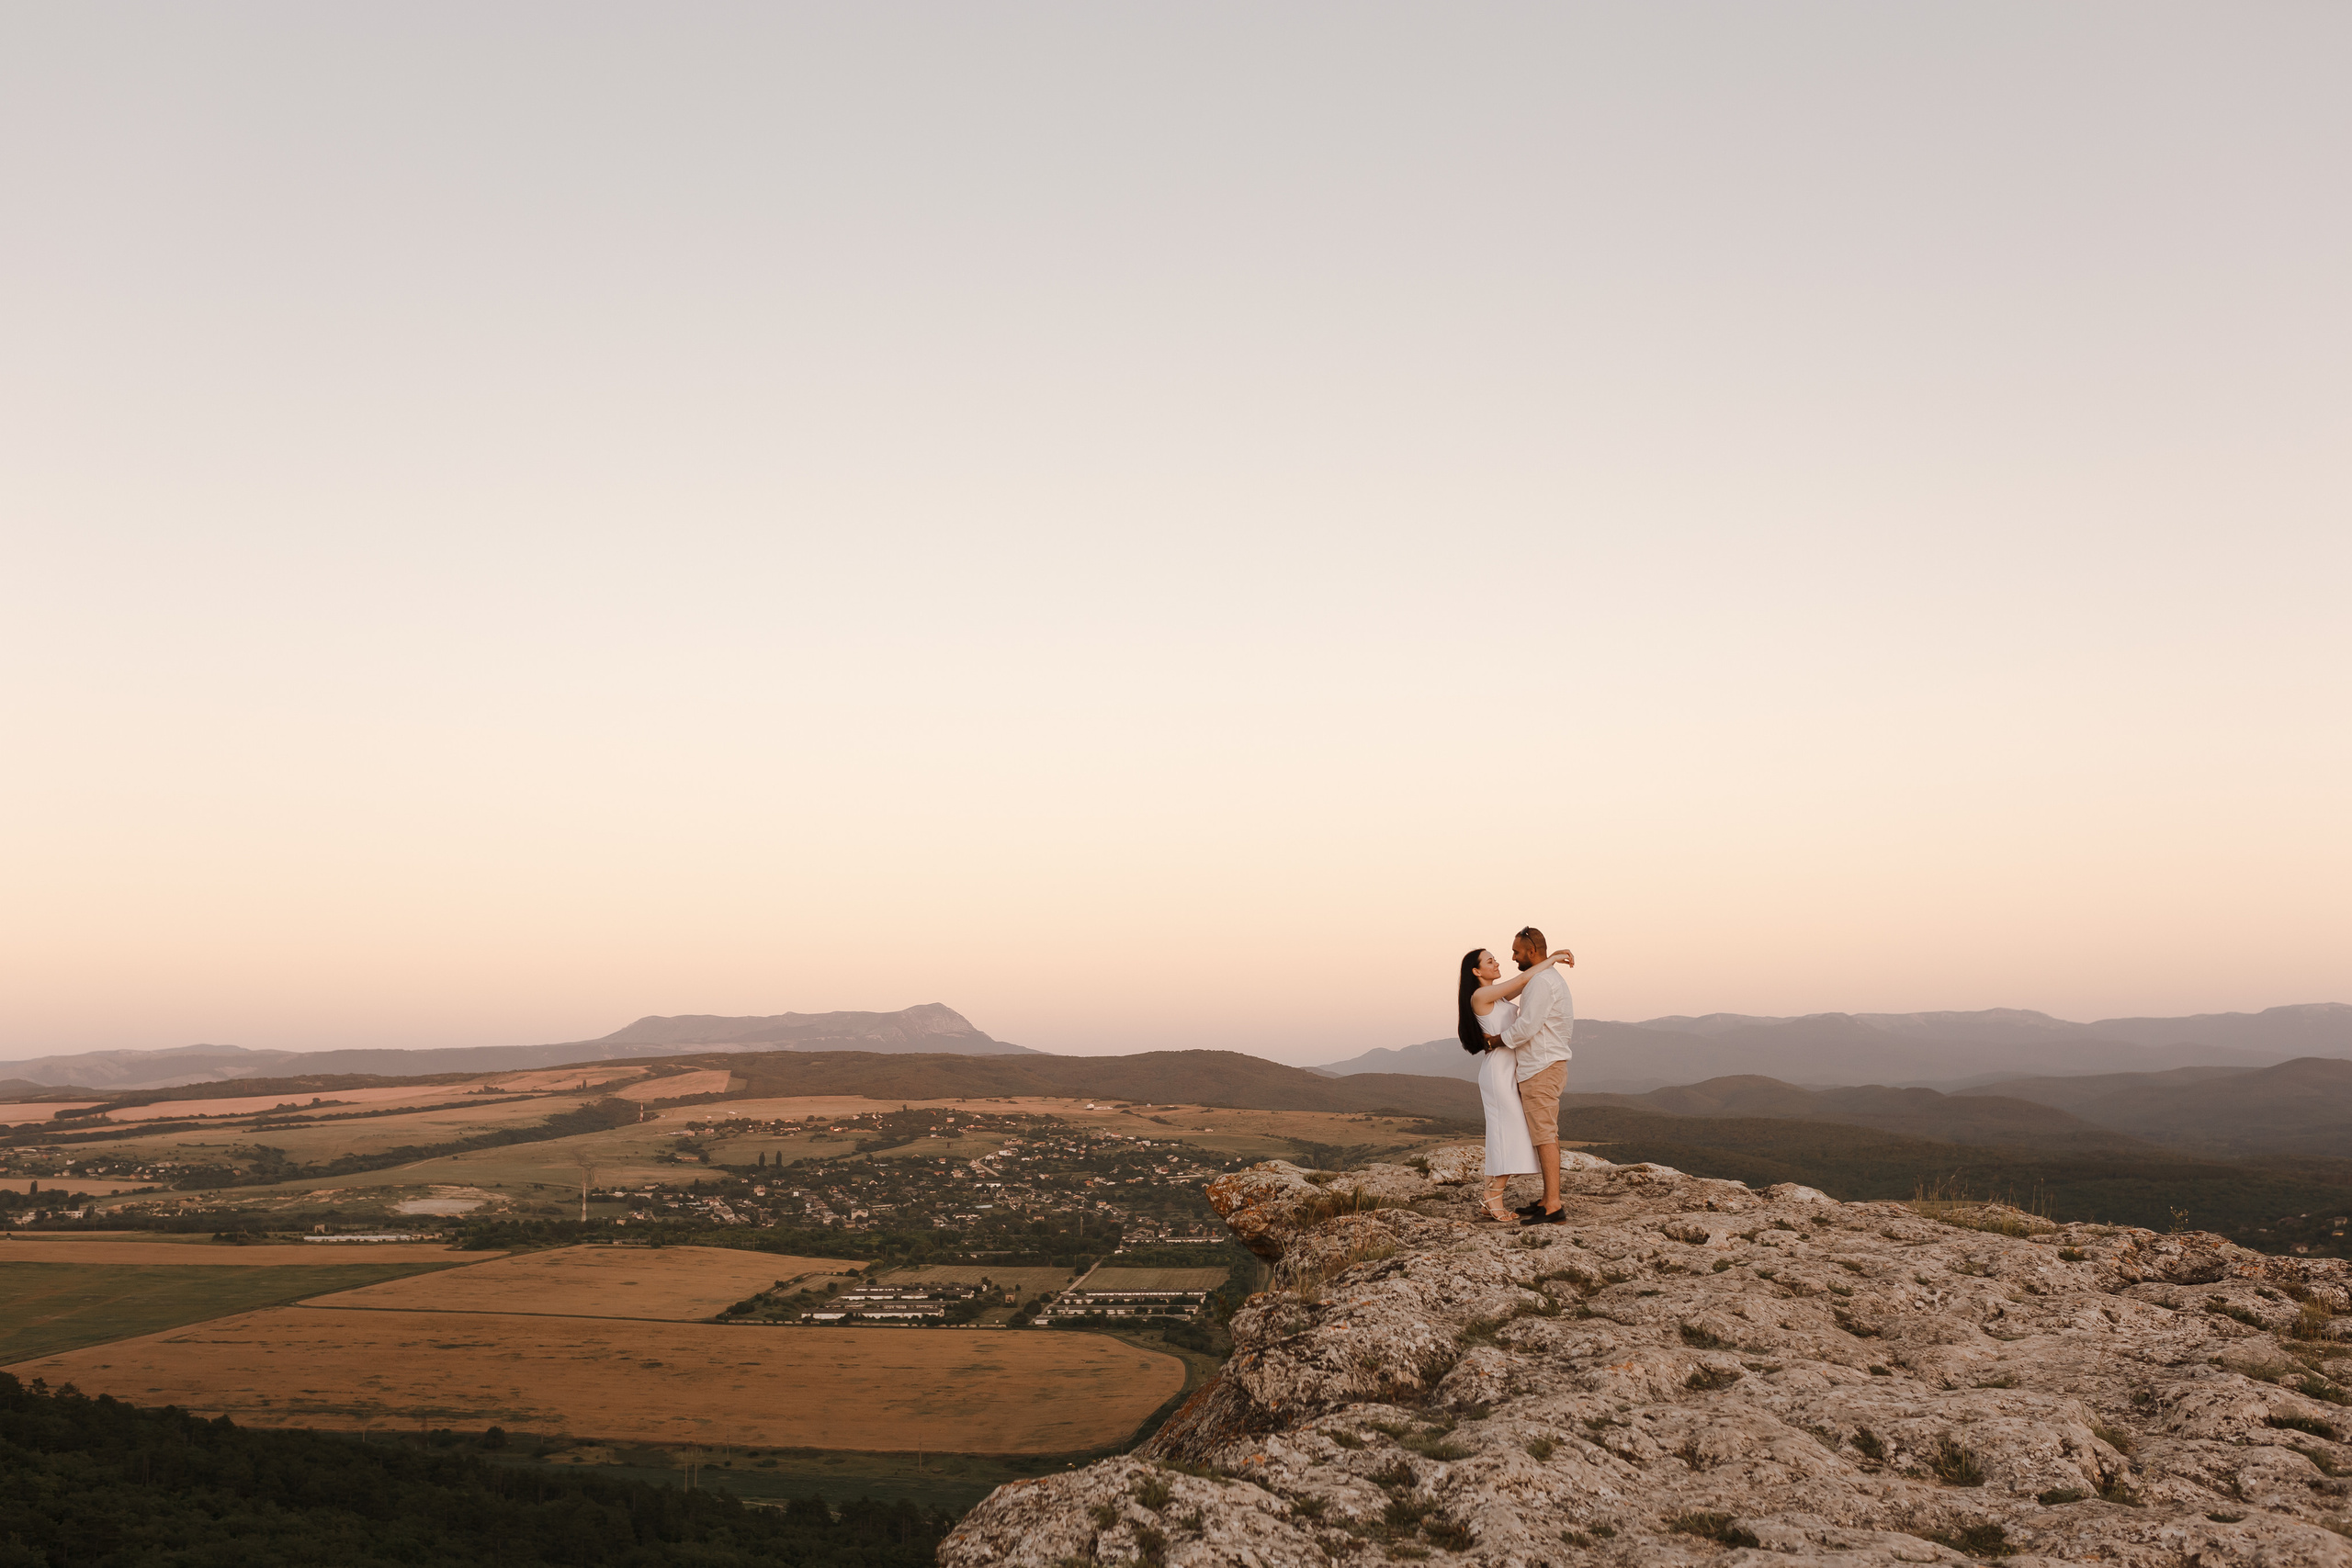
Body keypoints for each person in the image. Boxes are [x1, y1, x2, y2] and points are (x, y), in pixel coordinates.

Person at [1457, 944, 1572, 1224]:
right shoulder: (1481, 995)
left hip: (1510, 1069)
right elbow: (1523, 979)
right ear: (1476, 971)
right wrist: (1552, 959)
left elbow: (1527, 981)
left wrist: (1544, 963)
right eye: (1490, 961)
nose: (1497, 963)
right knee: (1507, 1135)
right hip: (1498, 1071)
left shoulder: (1498, 996)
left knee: (1504, 1134)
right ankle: (1493, 1198)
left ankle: (1491, 1198)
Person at [1500, 926, 1576, 1223]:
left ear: (1532, 952)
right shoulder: (1545, 978)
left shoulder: (1542, 982)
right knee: (1545, 1132)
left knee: (1544, 1134)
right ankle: (1547, 1198)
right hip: (1545, 1065)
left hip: (1542, 1068)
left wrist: (1496, 1041)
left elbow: (1527, 1026)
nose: (1513, 956)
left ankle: (1554, 1205)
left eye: (1516, 952)